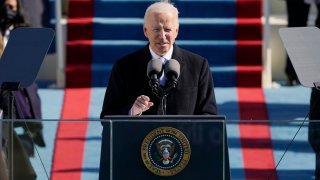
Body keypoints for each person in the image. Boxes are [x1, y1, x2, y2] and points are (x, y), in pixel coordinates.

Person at [100, 0, 217, 117]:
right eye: (156, 29)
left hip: (184, 135)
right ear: (145, 31)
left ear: (176, 31)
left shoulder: (198, 65)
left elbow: (209, 115)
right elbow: (108, 115)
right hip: (139, 135)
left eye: (167, 30)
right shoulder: (124, 67)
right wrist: (132, 111)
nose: (162, 36)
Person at [0, 0, 45, 179]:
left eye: (12, 7)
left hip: (19, 103)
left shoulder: (24, 32)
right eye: (5, 7)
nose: (8, 11)